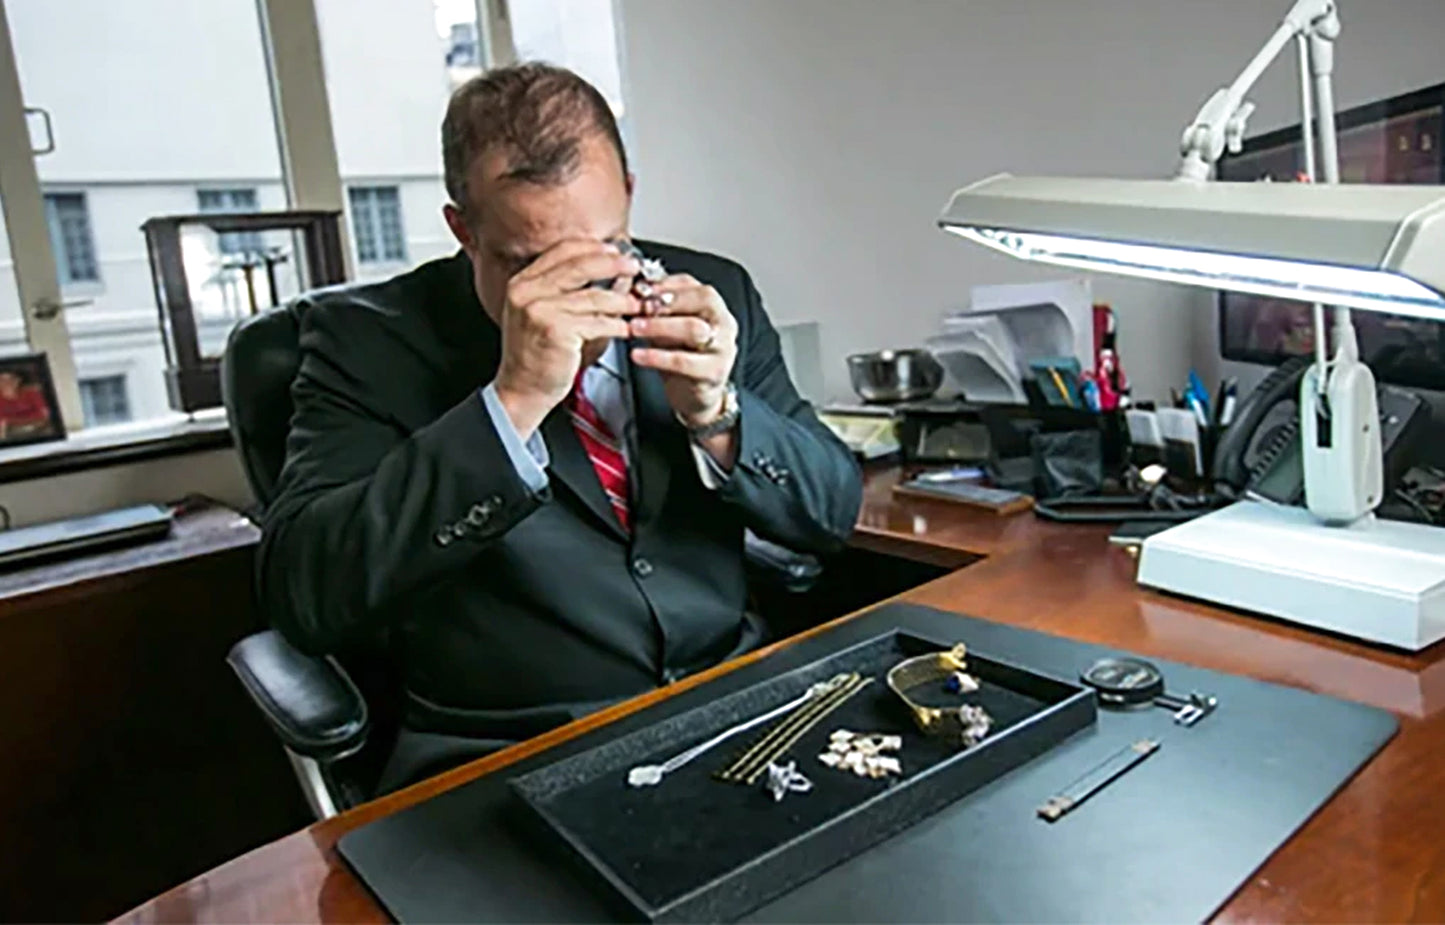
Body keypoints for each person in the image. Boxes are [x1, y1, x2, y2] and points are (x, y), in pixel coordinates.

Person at [258, 63, 862, 790]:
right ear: (464, 231)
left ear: (629, 195)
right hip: (511, 759)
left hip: (731, 711)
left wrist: (718, 417)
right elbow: (306, 598)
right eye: (532, 264)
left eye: (608, 247)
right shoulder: (364, 341)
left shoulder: (714, 290)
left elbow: (832, 511)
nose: (586, 287)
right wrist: (512, 402)